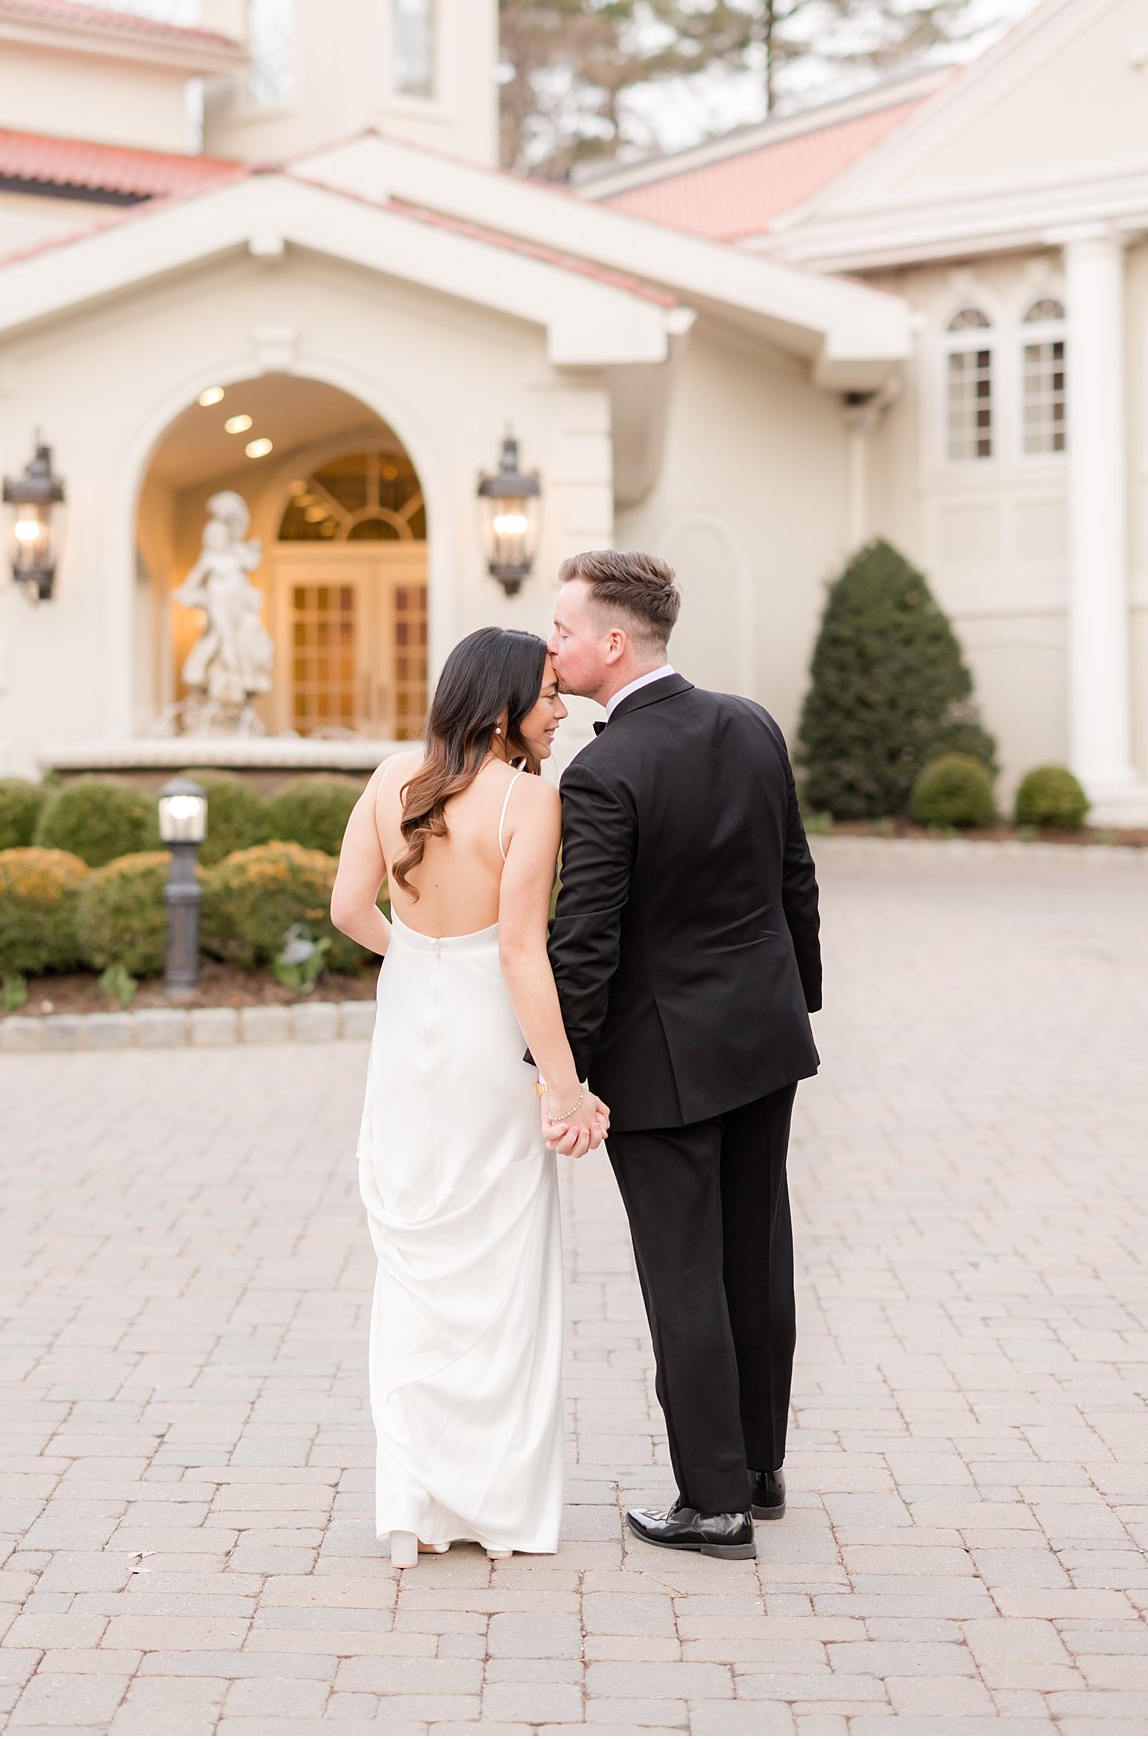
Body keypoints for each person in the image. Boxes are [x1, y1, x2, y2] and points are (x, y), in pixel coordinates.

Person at [545, 549, 822, 1562]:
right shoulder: (748, 722)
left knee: (682, 1276)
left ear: (612, 644)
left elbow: (586, 940)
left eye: (563, 629)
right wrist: (800, 999)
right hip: (762, 1036)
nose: (552, 645)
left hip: (658, 1063)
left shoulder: (605, 769)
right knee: (755, 1254)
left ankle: (711, 1504)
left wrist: (560, 1071)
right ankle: (755, 1466)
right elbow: (796, 875)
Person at [330, 627, 610, 1568]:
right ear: (500, 705)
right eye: (546, 693)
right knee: (503, 1272)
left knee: (415, 1264)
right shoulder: (529, 800)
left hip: (408, 1043)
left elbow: (345, 910)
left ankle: (409, 1506)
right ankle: (499, 1513)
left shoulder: (387, 782)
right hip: (491, 1049)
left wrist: (414, 954)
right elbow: (521, 952)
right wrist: (566, 1090)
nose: (559, 707)